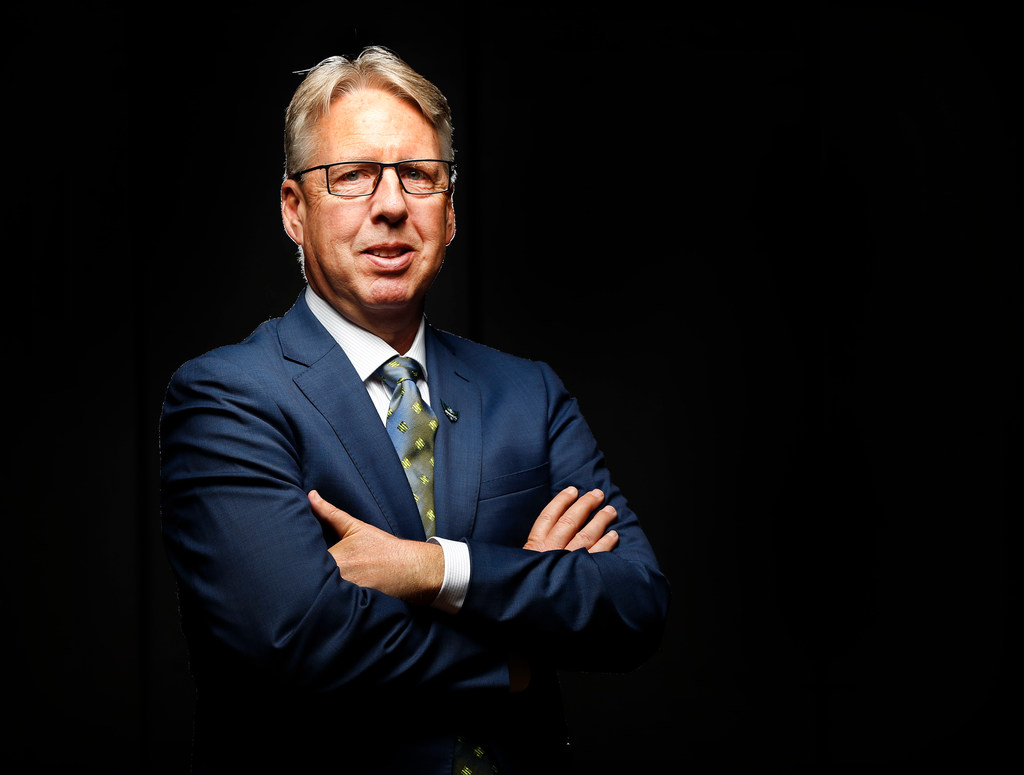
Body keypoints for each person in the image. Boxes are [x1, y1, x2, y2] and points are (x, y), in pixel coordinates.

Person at [159, 46, 669, 774]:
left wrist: (430, 569)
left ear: (450, 210)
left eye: (418, 177)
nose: (392, 204)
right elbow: (298, 637)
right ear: (293, 211)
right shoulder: (227, 397)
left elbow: (634, 602)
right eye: (353, 175)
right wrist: (518, 650)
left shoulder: (529, 392)